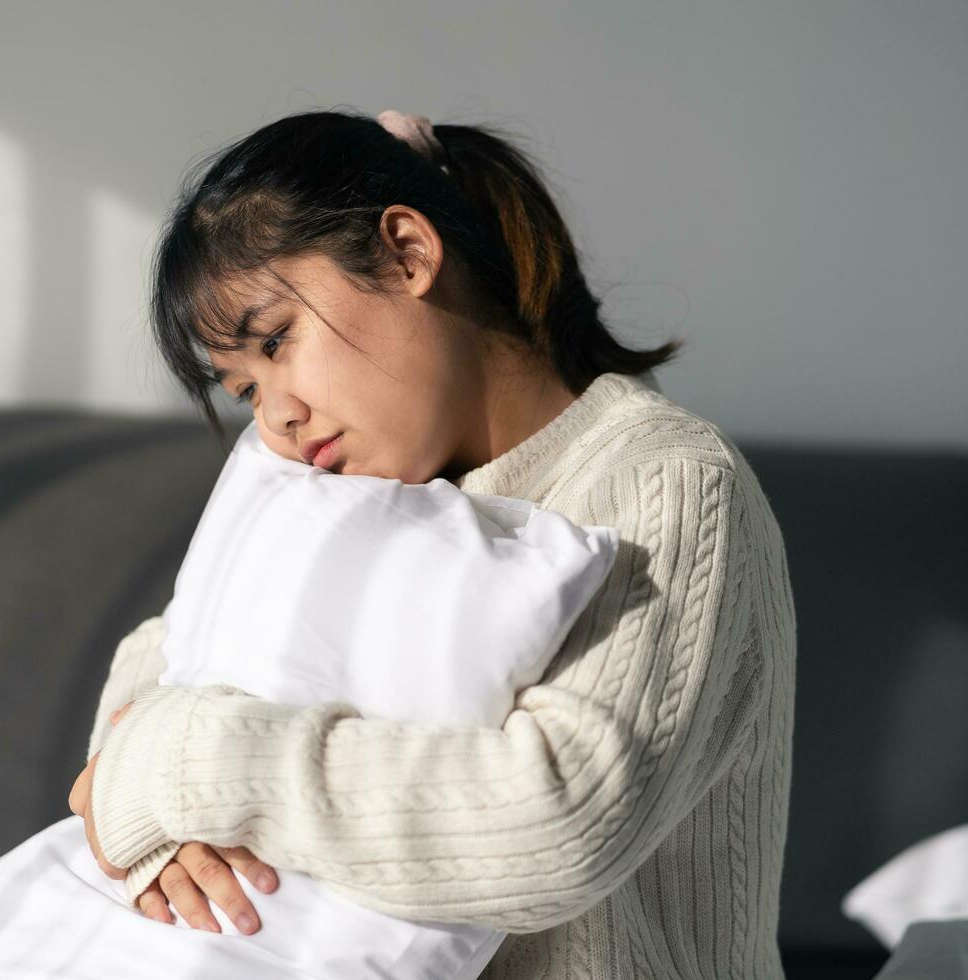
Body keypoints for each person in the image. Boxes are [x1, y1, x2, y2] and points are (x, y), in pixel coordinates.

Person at [72, 108, 797, 979]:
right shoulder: (352, 491)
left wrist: (181, 767)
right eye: (243, 389)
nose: (277, 417)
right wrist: (154, 829)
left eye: (278, 341)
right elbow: (157, 669)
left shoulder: (668, 482)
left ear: (410, 252)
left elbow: (562, 823)